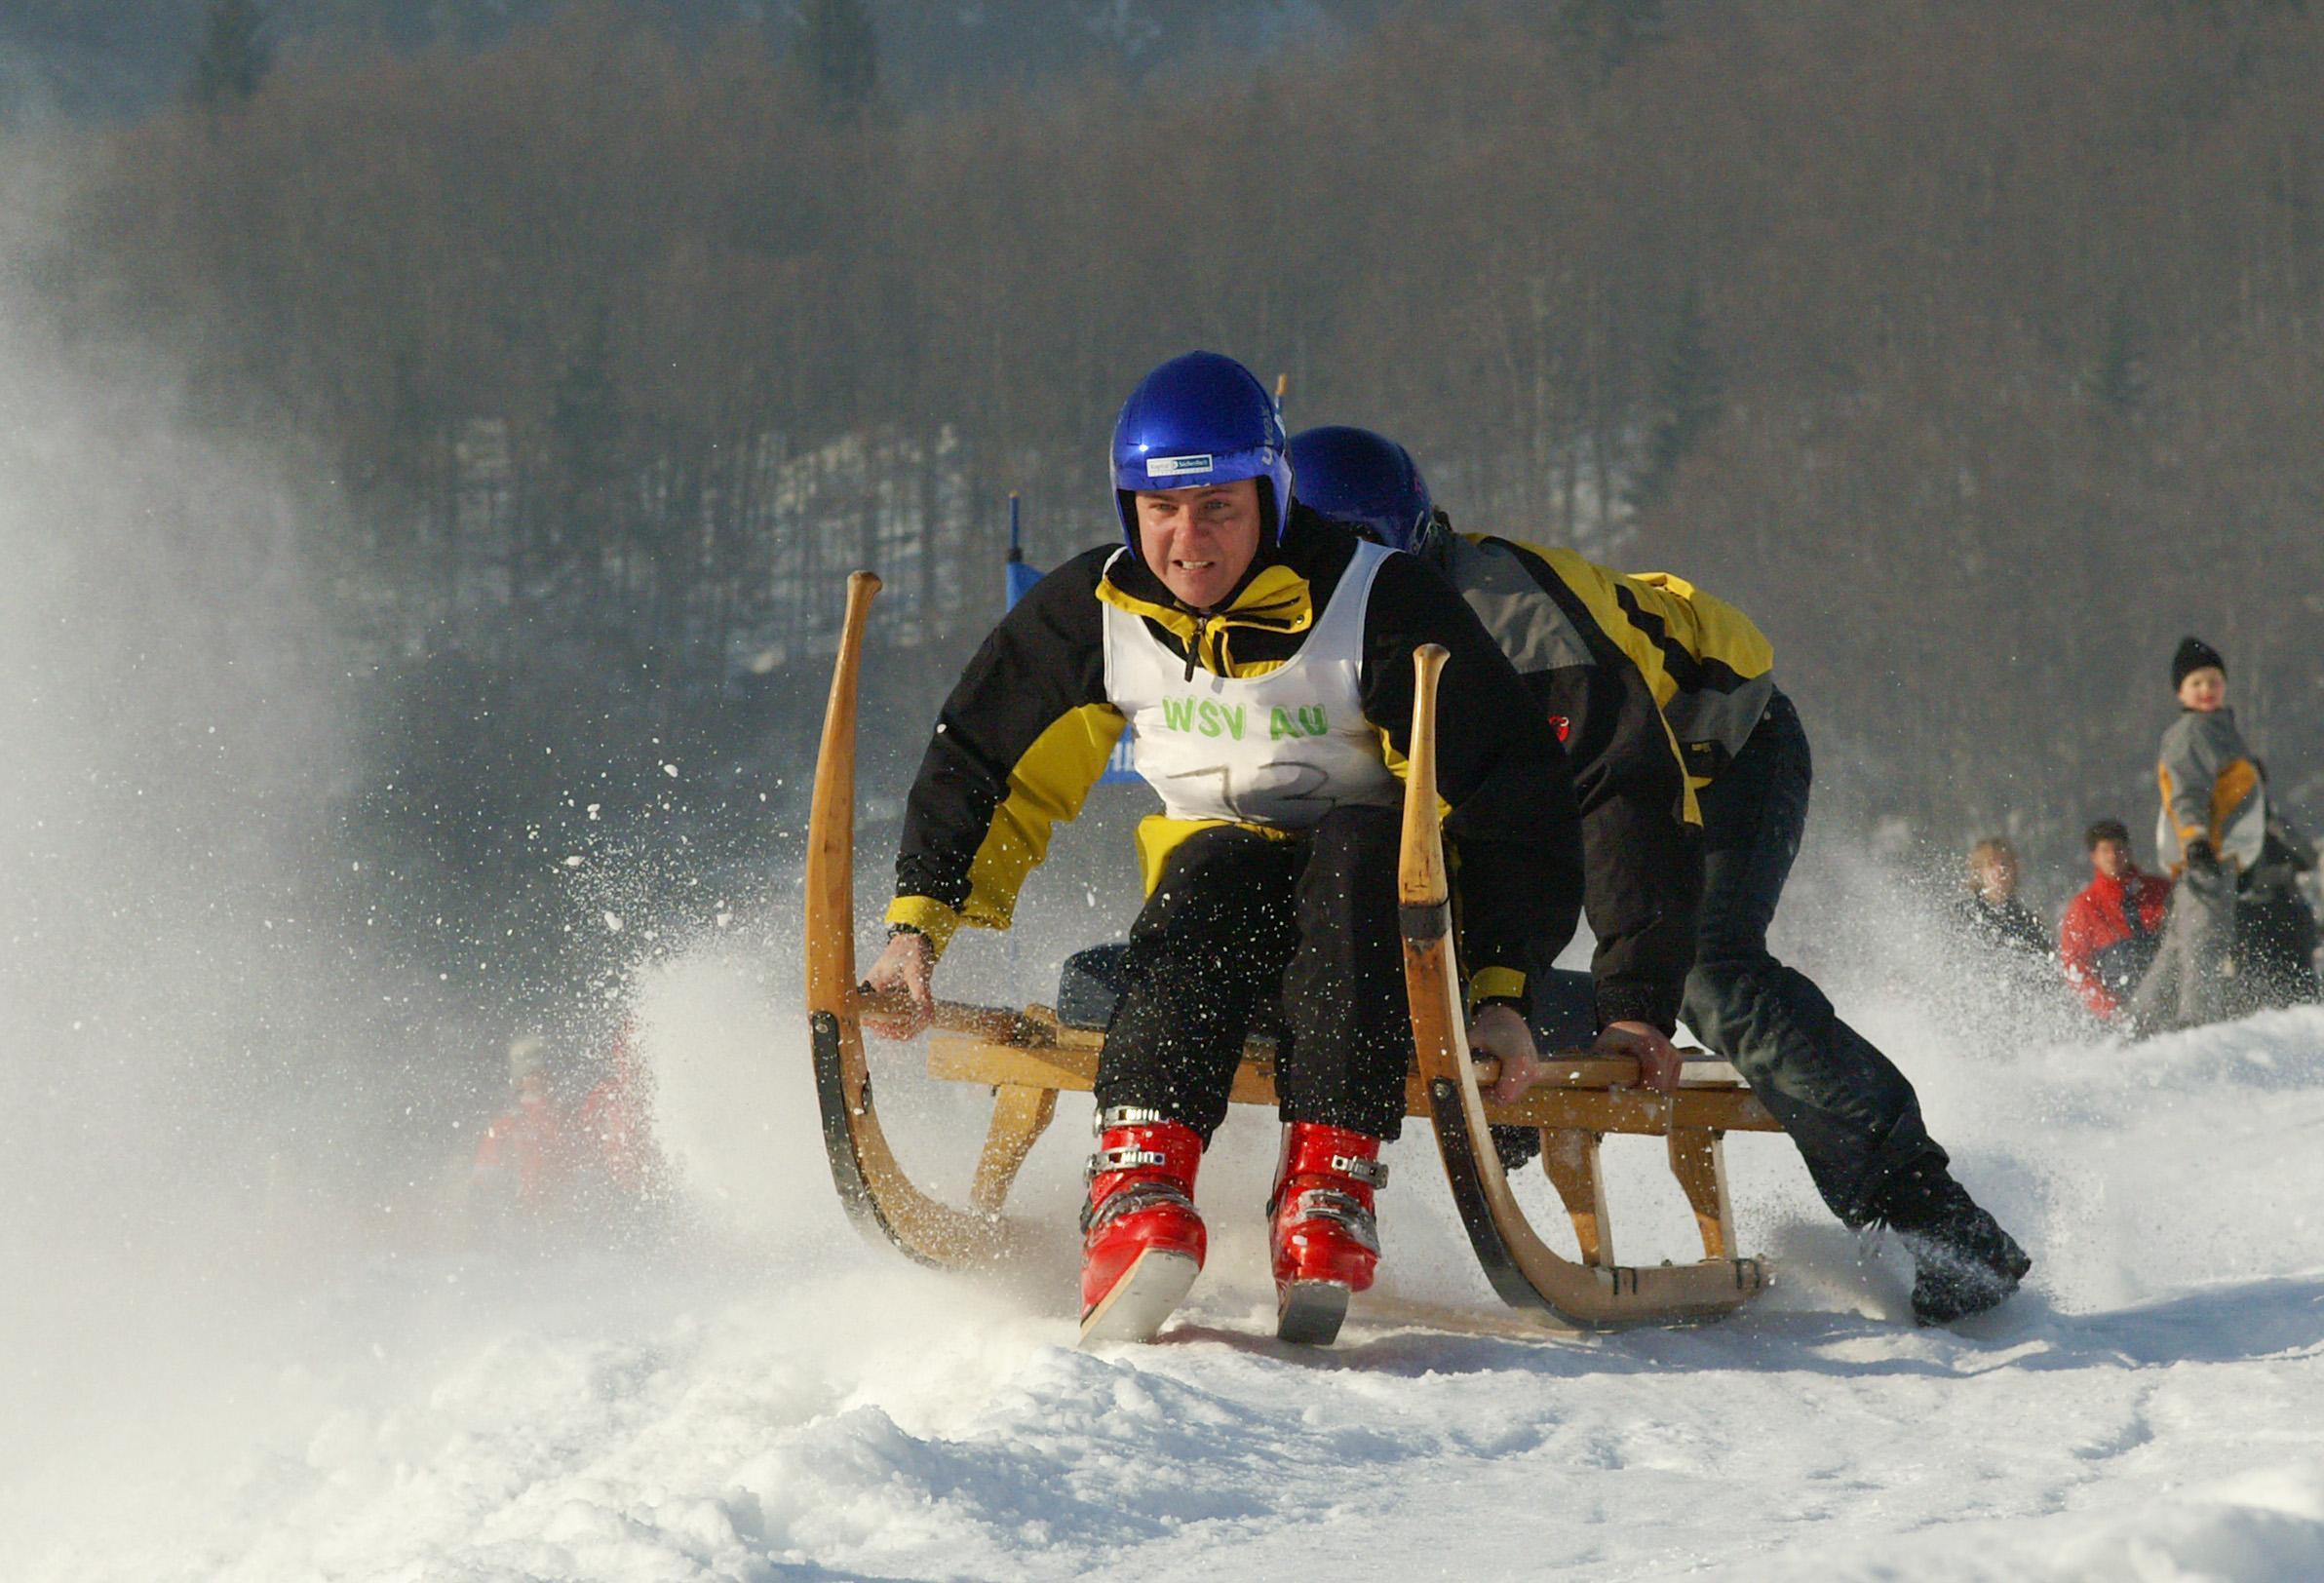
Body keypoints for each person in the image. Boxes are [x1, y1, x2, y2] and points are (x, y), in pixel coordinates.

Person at [860, 353, 1606, 1345]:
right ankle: (1140, 1187)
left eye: (1217, 508)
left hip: (1387, 944)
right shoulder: (1098, 613)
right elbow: (984, 764)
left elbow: (1513, 794)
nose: (1188, 540)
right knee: (1208, 866)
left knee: (1357, 841)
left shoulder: (1379, 602)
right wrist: (915, 932)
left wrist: (1502, 991)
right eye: (1161, 510)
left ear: (1271, 495)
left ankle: (1327, 1184)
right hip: (1214, 936)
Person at [1287, 423, 2032, 1326]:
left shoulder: (1518, 629)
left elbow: (1627, 799)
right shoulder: (1295, 634)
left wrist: (1639, 999)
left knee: (1712, 973)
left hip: (1717, 750)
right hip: (1553, 788)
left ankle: (1933, 1219)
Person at [2128, 637, 2269, 1033]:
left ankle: (2138, 1023)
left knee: (2180, 945)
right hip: (2205, 857)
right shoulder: (2193, 733)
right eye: (2196, 683)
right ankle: (2196, 1024)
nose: (2207, 689)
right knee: (2204, 942)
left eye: (2213, 681)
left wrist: (2244, 861)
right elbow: (2186, 793)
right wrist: (2196, 842)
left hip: (2219, 857)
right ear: (2180, 692)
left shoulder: (2219, 729)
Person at [2058, 819, 2172, 1023]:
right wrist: (2110, 1009)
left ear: (2128, 851)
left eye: (2118, 849)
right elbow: (2075, 968)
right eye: (2105, 850)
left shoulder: (2159, 890)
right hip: (2122, 1010)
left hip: (2169, 996)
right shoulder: (2084, 907)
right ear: (2094, 857)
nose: (2113, 856)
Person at [472, 1034, 573, 1224]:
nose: (538, 1079)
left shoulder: (566, 1117)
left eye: (542, 1073)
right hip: (519, 1216)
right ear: (519, 1081)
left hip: (562, 1213)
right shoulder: (507, 1123)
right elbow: (486, 1176)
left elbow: (576, 1162)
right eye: (531, 1074)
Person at [2234, 805, 2320, 1012]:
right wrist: (2275, 876)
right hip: (2249, 914)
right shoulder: (2233, 831)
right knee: (2254, 976)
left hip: (2286, 911)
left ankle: (2306, 1011)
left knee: (2301, 975)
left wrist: (2280, 830)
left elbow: (2309, 858)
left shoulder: (2274, 829)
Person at [1955, 837, 2050, 959]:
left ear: (2015, 869)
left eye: (2005, 864)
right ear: (1979, 871)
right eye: (1991, 864)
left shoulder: (2029, 923)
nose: (2000, 870)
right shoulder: (1963, 915)